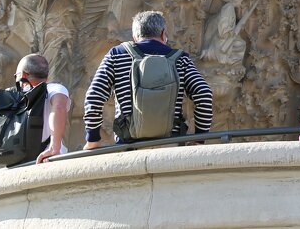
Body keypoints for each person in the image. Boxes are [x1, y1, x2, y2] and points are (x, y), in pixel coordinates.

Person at [83, 10, 213, 147]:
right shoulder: (180, 59)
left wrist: (92, 138)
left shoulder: (117, 54)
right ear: (163, 34)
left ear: (134, 36)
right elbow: (204, 94)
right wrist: (200, 138)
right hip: (171, 147)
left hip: (129, 147)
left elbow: (94, 96)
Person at [0, 53, 71, 179]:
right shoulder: (54, 89)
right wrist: (54, 148)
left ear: (22, 75)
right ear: (47, 77)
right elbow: (59, 108)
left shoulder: (2, 99)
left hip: (11, 169)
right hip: (47, 161)